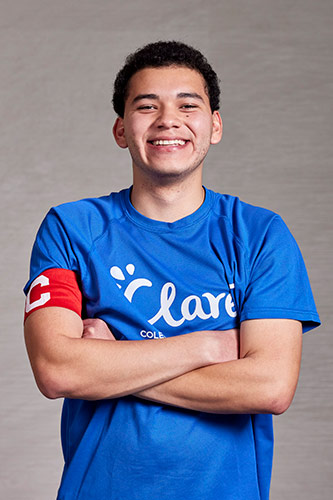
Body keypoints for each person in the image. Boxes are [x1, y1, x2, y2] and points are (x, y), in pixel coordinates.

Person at [24, 41, 320, 500]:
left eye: (188, 104)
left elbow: (270, 386)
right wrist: (211, 345)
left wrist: (111, 364)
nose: (168, 120)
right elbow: (58, 370)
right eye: (147, 106)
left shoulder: (261, 235)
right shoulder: (71, 228)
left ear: (214, 125)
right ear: (122, 129)